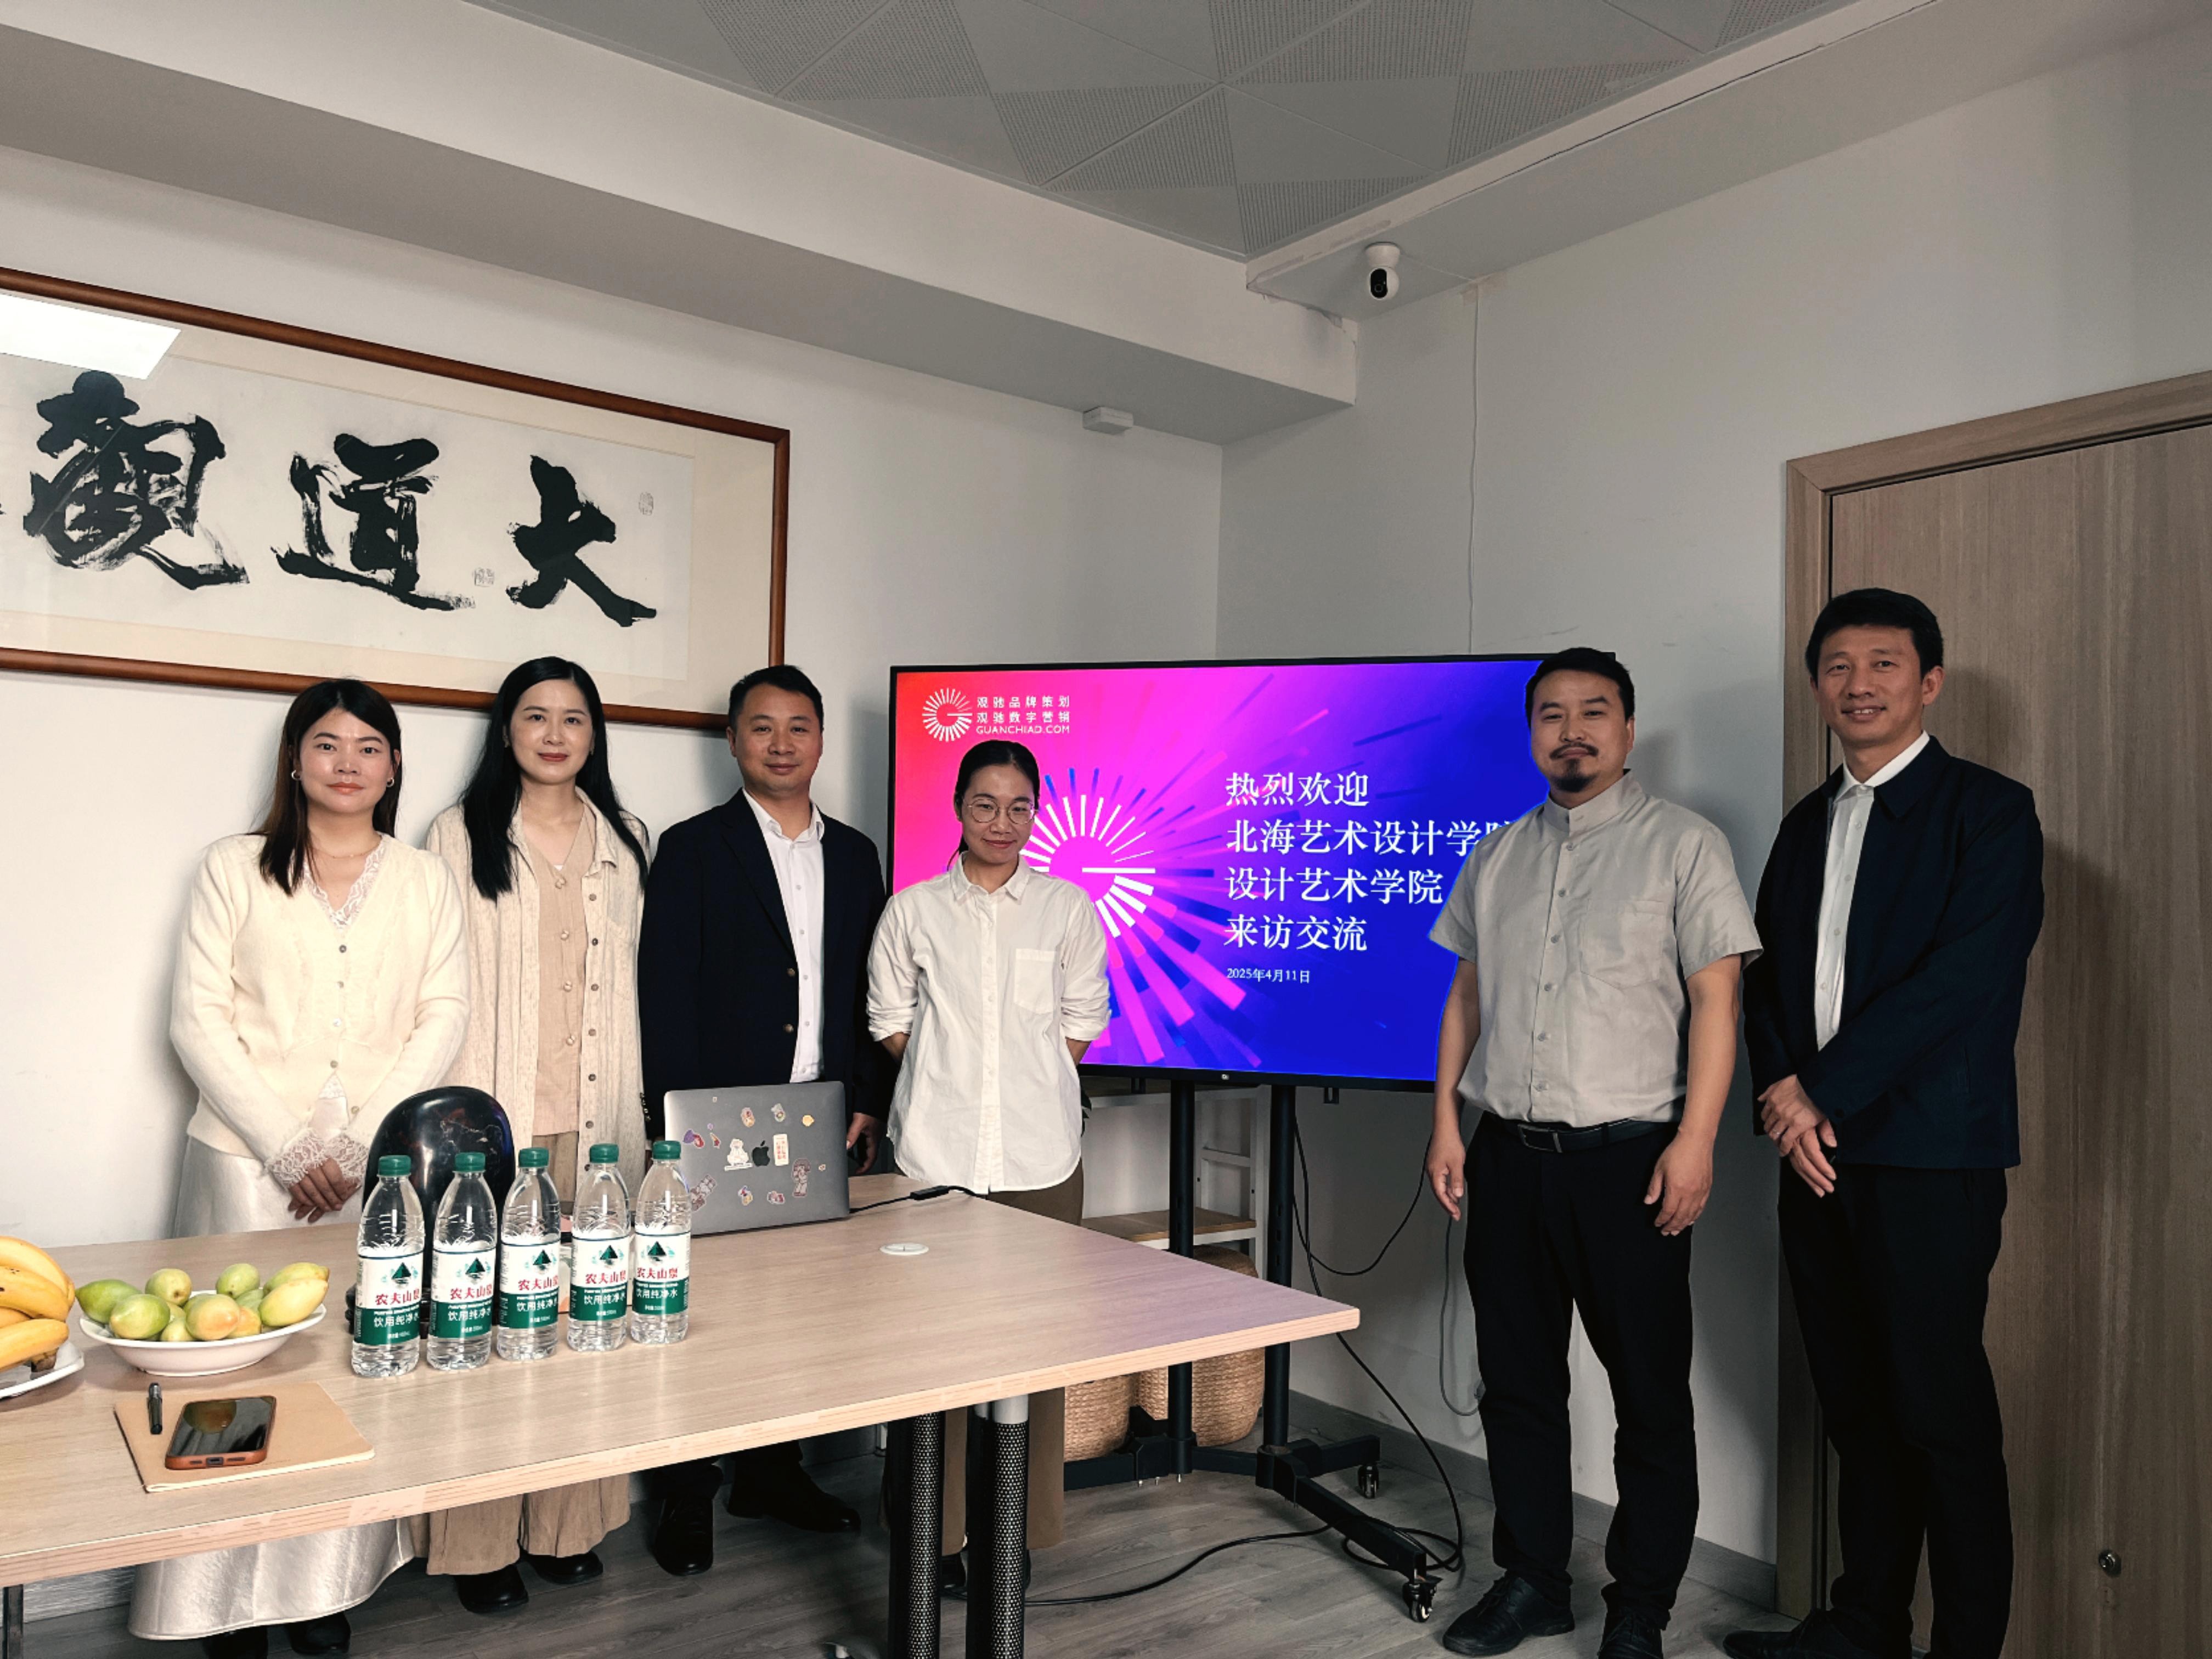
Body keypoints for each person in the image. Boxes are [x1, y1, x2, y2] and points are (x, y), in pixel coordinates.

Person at [1423, 648, 1761, 1659]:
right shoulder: (1496, 855)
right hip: (1507, 1157)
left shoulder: (1685, 847)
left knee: (1648, 1394)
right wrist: (1445, 1122)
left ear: (1627, 728)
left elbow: (1717, 1002)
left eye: (1594, 712)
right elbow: (1467, 996)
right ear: (1532, 732)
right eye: (1552, 715)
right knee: (1517, 1384)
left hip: (1632, 1163)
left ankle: (1641, 1607)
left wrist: (1696, 1142)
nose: (1572, 732)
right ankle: (1533, 1581)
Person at [1727, 591, 2042, 1659]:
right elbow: (1764, 981)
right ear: (1818, 687)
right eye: (1837, 666)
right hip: (1815, 1158)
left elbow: (1962, 980)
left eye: (1884, 663)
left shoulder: (1988, 812)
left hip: (1929, 1159)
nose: (1858, 684)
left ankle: (1966, 1645)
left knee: (1940, 1416)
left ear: (1929, 682)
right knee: (1854, 1406)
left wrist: (1820, 1090)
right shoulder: (1805, 824)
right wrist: (1786, 1099)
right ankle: (1864, 1626)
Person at [144, 680, 468, 1659]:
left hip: (373, 1176)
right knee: (228, 1370)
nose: (347, 762)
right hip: (243, 1167)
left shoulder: (424, 879)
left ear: (395, 766)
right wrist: (286, 1147)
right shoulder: (233, 866)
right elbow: (196, 1019)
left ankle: (317, 1588)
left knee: (345, 1372)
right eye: (327, 743)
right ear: (295, 759)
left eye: (369, 746)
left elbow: (443, 1015)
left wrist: (361, 1147)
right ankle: (216, 1600)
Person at [636, 663, 894, 1573]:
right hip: (720, 1115)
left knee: (803, 1308)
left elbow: (871, 988)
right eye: (761, 727)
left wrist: (867, 1097)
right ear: (733, 741)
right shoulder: (694, 847)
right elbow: (665, 993)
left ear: (821, 740)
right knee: (702, 1311)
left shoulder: (856, 854)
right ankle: (686, 1493)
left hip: (822, 1112)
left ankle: (772, 1475)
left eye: (798, 727)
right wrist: (678, 1128)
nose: (781, 744)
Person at [419, 658, 649, 1616]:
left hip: (600, 1129)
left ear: (595, 735)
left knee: (587, 1325)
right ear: (506, 730)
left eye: (574, 719)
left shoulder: (627, 840)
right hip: (492, 1129)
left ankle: (567, 1526)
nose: (555, 735)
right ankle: (477, 1543)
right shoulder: (455, 834)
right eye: (535, 717)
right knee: (480, 1324)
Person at [866, 738, 1110, 1593]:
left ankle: (1013, 1533)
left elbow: (1083, 1019)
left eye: (1018, 807)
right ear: (958, 808)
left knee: (1034, 1357)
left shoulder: (1067, 909)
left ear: (1036, 813)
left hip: (1041, 1163)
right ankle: (931, 1537)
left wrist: (1024, 1085)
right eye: (984, 805)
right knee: (930, 1357)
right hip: (933, 1161)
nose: (1001, 823)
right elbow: (890, 1020)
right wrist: (953, 1081)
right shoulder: (913, 910)